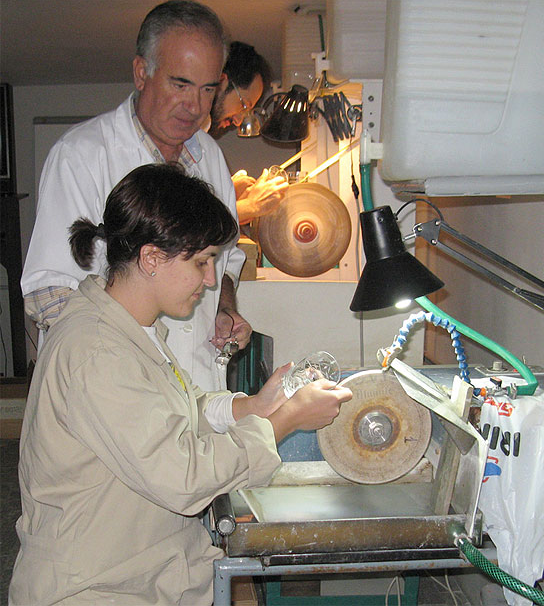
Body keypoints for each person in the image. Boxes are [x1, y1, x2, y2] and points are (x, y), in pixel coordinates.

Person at [9, 163, 352, 605]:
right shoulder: (96, 352)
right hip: (94, 586)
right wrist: (284, 421)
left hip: (147, 562)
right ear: (151, 258)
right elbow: (183, 478)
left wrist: (254, 406)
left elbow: (181, 404)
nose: (211, 280)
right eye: (202, 261)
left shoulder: (130, 328)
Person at [20, 0, 248, 392]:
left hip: (196, 382)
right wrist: (124, 370)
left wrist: (224, 307)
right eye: (180, 84)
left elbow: (226, 259)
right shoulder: (83, 154)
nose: (194, 106)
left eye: (208, 89)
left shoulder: (209, 155)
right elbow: (48, 295)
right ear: (142, 73)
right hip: (111, 390)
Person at [208, 40, 290, 225]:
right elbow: (190, 224)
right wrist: (252, 206)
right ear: (222, 82)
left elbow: (200, 208)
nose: (237, 121)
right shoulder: (177, 136)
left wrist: (226, 193)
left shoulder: (201, 141)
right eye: (244, 104)